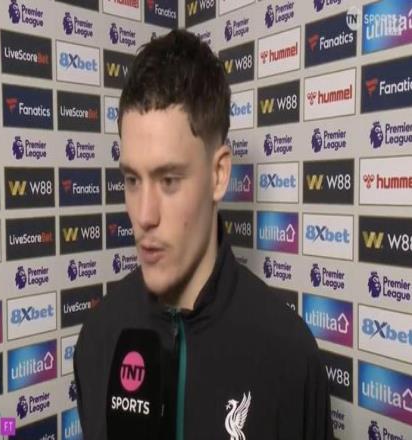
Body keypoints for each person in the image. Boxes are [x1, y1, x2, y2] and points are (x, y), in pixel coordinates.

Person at [74, 29, 334, 440]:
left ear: (218, 174)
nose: (144, 215)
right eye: (132, 180)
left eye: (169, 180)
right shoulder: (99, 337)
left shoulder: (289, 355)